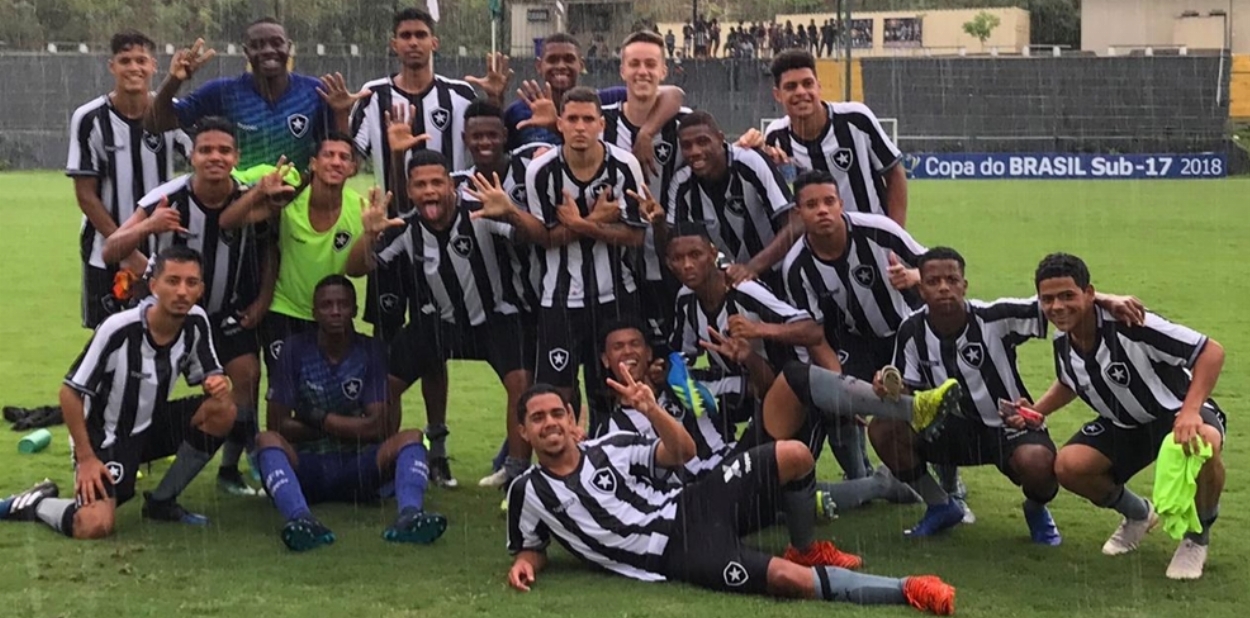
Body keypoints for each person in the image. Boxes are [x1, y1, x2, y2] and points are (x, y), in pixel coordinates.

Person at [505, 384, 955, 614]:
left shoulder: (611, 447)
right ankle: (907, 588)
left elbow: (682, 452)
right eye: (537, 418)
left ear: (571, 419)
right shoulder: (527, 491)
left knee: (794, 455)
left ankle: (806, 546)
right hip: (678, 552)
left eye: (557, 413)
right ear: (523, 431)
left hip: (694, 502)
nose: (550, 423)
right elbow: (532, 545)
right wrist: (527, 562)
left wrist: (652, 410)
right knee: (788, 581)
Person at [868, 247, 1146, 541]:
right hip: (951, 431)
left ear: (965, 285)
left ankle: (1036, 509)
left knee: (1038, 462)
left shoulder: (994, 317)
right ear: (921, 289)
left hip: (1009, 426)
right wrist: (886, 386)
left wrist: (1105, 298)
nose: (944, 288)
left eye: (952, 279)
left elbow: (1056, 303)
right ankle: (940, 505)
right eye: (934, 282)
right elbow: (906, 388)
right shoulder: (911, 330)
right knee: (883, 429)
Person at [102, 117, 290, 496]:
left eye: (224, 150)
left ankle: (230, 467)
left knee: (246, 376)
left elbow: (268, 247)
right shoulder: (167, 197)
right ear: (192, 156)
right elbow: (111, 250)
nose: (215, 157)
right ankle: (120, 454)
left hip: (223, 312)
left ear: (236, 157)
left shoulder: (249, 196)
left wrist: (262, 299)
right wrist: (148, 229)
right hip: (170, 317)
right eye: (206, 150)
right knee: (144, 388)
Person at [0, 246, 235, 538]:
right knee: (93, 525)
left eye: (191, 283)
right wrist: (86, 458)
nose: (182, 292)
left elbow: (212, 375)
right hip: (107, 436)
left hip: (152, 424)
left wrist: (219, 382)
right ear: (154, 286)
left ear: (201, 289)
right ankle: (37, 502)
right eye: (173, 281)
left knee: (224, 409)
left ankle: (162, 502)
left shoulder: (196, 321)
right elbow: (69, 393)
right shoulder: (118, 329)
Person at [346, 147, 543, 488]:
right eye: (420, 185)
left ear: (451, 185)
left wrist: (512, 212)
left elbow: (533, 237)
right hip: (439, 322)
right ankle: (385, 462)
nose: (429, 191)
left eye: (437, 183)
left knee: (521, 383)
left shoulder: (481, 213)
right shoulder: (405, 227)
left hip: (496, 318)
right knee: (382, 385)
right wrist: (367, 236)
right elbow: (356, 269)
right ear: (410, 191)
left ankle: (517, 471)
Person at [1026, 253, 1226, 580]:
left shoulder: (1132, 323)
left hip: (1176, 412)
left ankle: (1197, 537)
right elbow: (1070, 381)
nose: (1057, 306)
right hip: (1124, 424)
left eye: (1067, 296)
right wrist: (1036, 411)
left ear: (1089, 293)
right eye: (1048, 299)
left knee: (1203, 441)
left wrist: (1190, 412)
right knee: (1069, 466)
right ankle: (1139, 515)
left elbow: (1210, 351)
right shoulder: (1063, 339)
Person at [600, 319, 863, 569]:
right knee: (793, 458)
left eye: (634, 344)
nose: (628, 351)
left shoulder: (684, 382)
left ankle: (884, 401)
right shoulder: (611, 430)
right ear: (605, 359)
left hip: (734, 462)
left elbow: (764, 388)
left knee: (795, 378)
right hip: (703, 498)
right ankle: (807, 542)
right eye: (618, 346)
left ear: (648, 352)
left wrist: (748, 358)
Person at [253, 275, 447, 551]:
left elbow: (378, 428)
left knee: (412, 437)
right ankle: (301, 519)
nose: (335, 311)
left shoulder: (372, 350)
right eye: (326, 305)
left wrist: (319, 417)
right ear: (314, 312)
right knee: (266, 440)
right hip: (308, 465)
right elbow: (278, 425)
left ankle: (410, 516)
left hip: (358, 465)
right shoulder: (293, 350)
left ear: (354, 310)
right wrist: (350, 427)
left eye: (343, 305)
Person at [780, 170, 924, 483]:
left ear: (841, 204)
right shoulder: (796, 267)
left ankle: (949, 483)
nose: (822, 210)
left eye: (829, 201)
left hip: (908, 334)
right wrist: (843, 387)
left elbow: (934, 268)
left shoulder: (879, 230)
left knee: (926, 400)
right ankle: (859, 477)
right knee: (833, 403)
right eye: (812, 204)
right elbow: (815, 337)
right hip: (856, 341)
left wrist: (913, 276)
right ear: (798, 213)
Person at [523, 87, 647, 435]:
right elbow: (545, 237)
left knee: (611, 388)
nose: (580, 127)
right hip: (559, 299)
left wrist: (580, 224)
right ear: (559, 123)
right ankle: (562, 461)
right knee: (557, 392)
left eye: (588, 119)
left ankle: (612, 454)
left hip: (616, 295)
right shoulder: (541, 171)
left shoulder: (625, 166)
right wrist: (597, 220)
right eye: (573, 119)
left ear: (601, 125)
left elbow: (636, 236)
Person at [219, 133, 382, 375]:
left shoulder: (361, 210)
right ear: (314, 163)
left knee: (322, 387)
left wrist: (369, 236)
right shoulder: (290, 194)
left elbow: (355, 271)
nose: (336, 162)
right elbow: (228, 222)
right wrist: (259, 191)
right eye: (328, 155)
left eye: (344, 157)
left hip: (329, 315)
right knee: (282, 385)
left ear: (352, 168)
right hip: (283, 310)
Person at [451, 100, 552, 488]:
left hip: (550, 294)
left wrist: (509, 213)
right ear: (465, 139)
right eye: (477, 136)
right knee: (521, 382)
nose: (485, 142)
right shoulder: (461, 183)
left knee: (556, 382)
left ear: (505, 136)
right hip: (506, 304)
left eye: (492, 135)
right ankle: (516, 466)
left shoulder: (532, 169)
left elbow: (538, 236)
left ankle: (557, 463)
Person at [67, 30, 192, 330]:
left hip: (162, 250)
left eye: (141, 60)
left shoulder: (171, 112)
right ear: (112, 66)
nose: (133, 68)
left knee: (164, 336)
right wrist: (126, 250)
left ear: (153, 66)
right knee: (107, 338)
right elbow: (86, 196)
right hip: (104, 251)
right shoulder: (90, 118)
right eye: (125, 61)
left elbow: (201, 159)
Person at [146, 18, 362, 174]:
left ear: (289, 47)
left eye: (276, 43)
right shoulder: (223, 92)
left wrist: (341, 114)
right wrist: (174, 80)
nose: (268, 50)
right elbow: (154, 123)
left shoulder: (314, 92)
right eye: (257, 45)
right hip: (239, 207)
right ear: (246, 51)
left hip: (296, 209)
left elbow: (347, 166)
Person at [601, 31, 691, 349]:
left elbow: (719, 155)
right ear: (622, 70)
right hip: (614, 266)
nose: (642, 71)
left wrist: (753, 142)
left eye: (651, 64)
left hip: (670, 264)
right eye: (635, 64)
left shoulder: (685, 124)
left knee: (668, 357)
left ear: (663, 70)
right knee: (615, 357)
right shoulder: (600, 122)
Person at [506, 32, 684, 177]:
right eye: (552, 60)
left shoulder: (602, 101)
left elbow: (673, 94)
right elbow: (497, 148)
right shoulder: (519, 112)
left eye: (569, 59)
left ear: (581, 64)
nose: (561, 66)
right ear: (539, 66)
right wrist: (495, 98)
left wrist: (646, 133)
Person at [762, 50, 907, 228]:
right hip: (818, 241)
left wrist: (895, 234)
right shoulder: (776, 136)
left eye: (807, 83)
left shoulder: (856, 118)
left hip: (871, 237)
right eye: (791, 87)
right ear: (777, 94)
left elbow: (894, 173)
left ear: (818, 86)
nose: (801, 92)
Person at [661, 111, 801, 288]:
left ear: (720, 139)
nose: (695, 151)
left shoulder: (750, 161)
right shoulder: (681, 182)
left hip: (779, 270)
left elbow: (795, 223)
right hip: (732, 278)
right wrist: (658, 222)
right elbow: (676, 244)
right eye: (687, 146)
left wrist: (751, 268)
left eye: (703, 142)